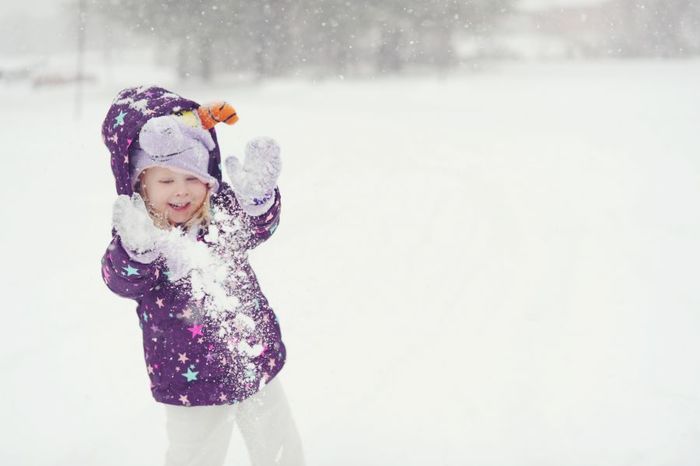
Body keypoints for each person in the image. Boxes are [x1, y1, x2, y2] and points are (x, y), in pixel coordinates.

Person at [100, 85, 305, 466]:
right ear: (139, 184)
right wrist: (138, 253)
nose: (181, 192)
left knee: (277, 443)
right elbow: (120, 280)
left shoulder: (221, 213)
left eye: (193, 179)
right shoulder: (141, 235)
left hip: (252, 353)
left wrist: (258, 202)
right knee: (194, 456)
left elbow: (256, 228)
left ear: (209, 180)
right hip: (186, 377)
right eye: (165, 181)